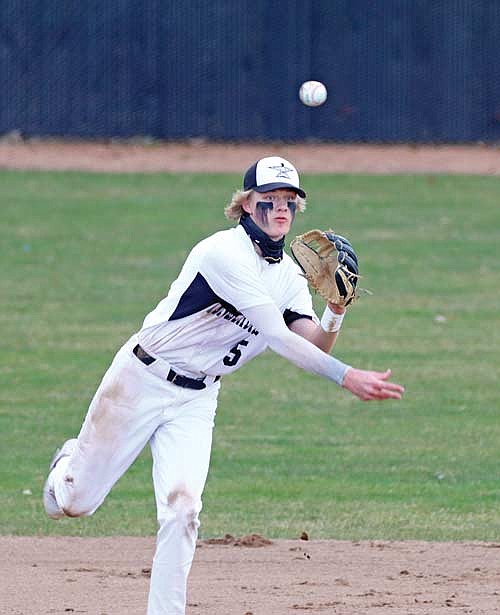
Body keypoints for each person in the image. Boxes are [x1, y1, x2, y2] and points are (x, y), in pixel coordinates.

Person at [43, 156, 404, 614]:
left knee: (183, 510)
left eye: (290, 202)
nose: (280, 209)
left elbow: (313, 341)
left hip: (196, 400)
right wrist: (348, 378)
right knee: (74, 504)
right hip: (141, 379)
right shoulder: (222, 253)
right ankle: (65, 466)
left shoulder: (289, 277)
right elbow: (275, 336)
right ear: (246, 203)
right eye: (268, 199)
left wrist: (336, 307)